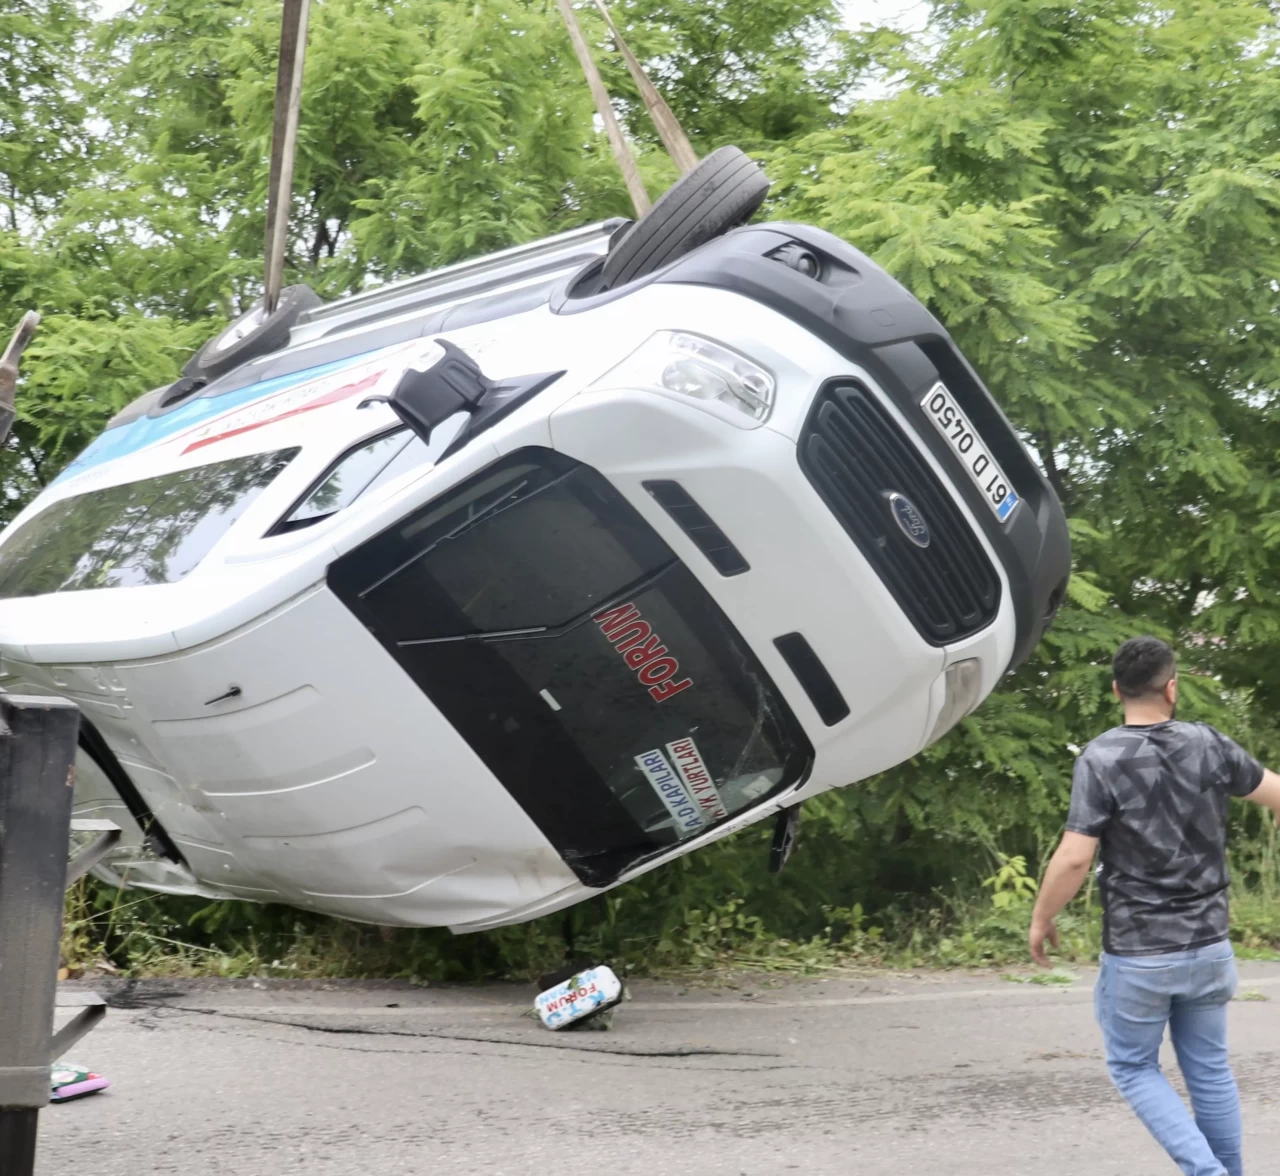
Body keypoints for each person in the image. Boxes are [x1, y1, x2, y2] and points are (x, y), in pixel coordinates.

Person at [1028, 635, 1280, 1176]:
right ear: (1172, 688)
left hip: (1140, 953)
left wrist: (1042, 917)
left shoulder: (1101, 757)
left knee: (1134, 1066)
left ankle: (1207, 1171)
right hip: (1211, 946)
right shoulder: (1209, 744)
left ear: (1118, 689)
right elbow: (1277, 792)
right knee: (1210, 1070)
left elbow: (1074, 859)